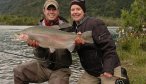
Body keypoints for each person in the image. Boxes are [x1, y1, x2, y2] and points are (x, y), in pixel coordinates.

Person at [69, 0, 129, 84]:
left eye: (78, 9)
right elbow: (75, 49)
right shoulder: (73, 29)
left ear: (83, 11)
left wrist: (108, 69)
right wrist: (77, 45)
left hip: (109, 68)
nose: (75, 12)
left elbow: (109, 47)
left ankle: (121, 76)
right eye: (72, 10)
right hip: (92, 72)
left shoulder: (95, 23)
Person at [13, 0, 72, 84]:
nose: (51, 12)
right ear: (44, 11)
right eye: (49, 9)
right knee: (18, 71)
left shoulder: (68, 27)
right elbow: (39, 55)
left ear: (58, 11)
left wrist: (77, 43)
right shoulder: (37, 28)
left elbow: (74, 49)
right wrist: (37, 47)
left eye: (54, 9)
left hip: (61, 69)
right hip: (43, 67)